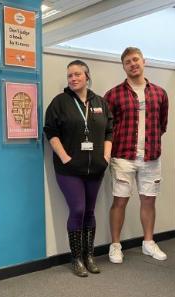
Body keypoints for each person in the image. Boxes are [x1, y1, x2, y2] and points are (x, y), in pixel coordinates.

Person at [44, 60, 113, 277]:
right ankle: (76, 258)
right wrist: (65, 158)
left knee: (90, 211)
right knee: (78, 210)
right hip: (69, 169)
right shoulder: (60, 102)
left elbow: (109, 131)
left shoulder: (100, 102)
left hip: (96, 168)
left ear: (87, 76)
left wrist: (106, 156)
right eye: (69, 76)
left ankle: (89, 255)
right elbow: (51, 132)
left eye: (77, 74)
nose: (73, 79)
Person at [104, 47, 169, 264]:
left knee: (149, 201)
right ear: (123, 67)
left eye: (135, 60)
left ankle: (148, 243)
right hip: (123, 156)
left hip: (151, 156)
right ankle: (115, 245)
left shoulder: (159, 93)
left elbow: (162, 124)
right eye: (127, 62)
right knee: (120, 201)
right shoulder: (113, 94)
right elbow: (106, 126)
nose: (132, 64)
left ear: (144, 61)